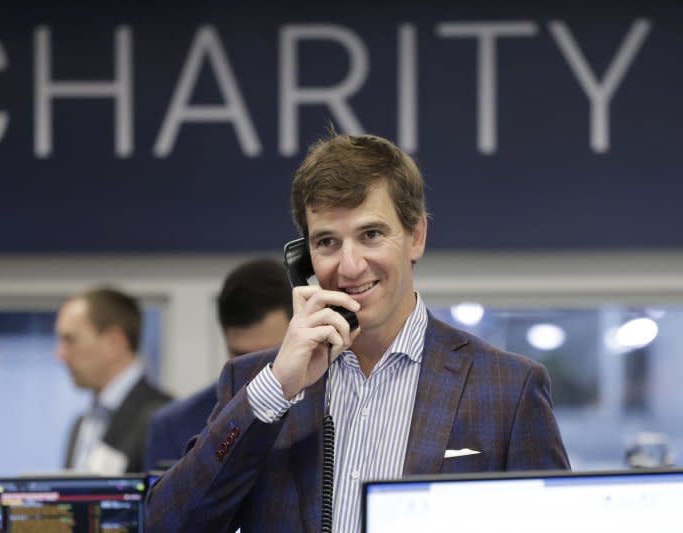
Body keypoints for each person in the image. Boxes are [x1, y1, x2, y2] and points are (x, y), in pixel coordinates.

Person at [146, 132, 570, 532]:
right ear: (304, 258)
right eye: (327, 242)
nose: (349, 267)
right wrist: (277, 388)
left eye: (371, 234)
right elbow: (167, 525)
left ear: (416, 236)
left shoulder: (508, 389)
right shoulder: (257, 384)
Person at [144, 258, 292, 470]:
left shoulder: (332, 411)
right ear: (224, 340)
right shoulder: (173, 428)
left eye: (268, 355)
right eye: (242, 355)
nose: (256, 370)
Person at [56, 286, 172, 474]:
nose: (60, 354)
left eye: (70, 340)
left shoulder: (165, 420)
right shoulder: (80, 425)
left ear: (114, 341)